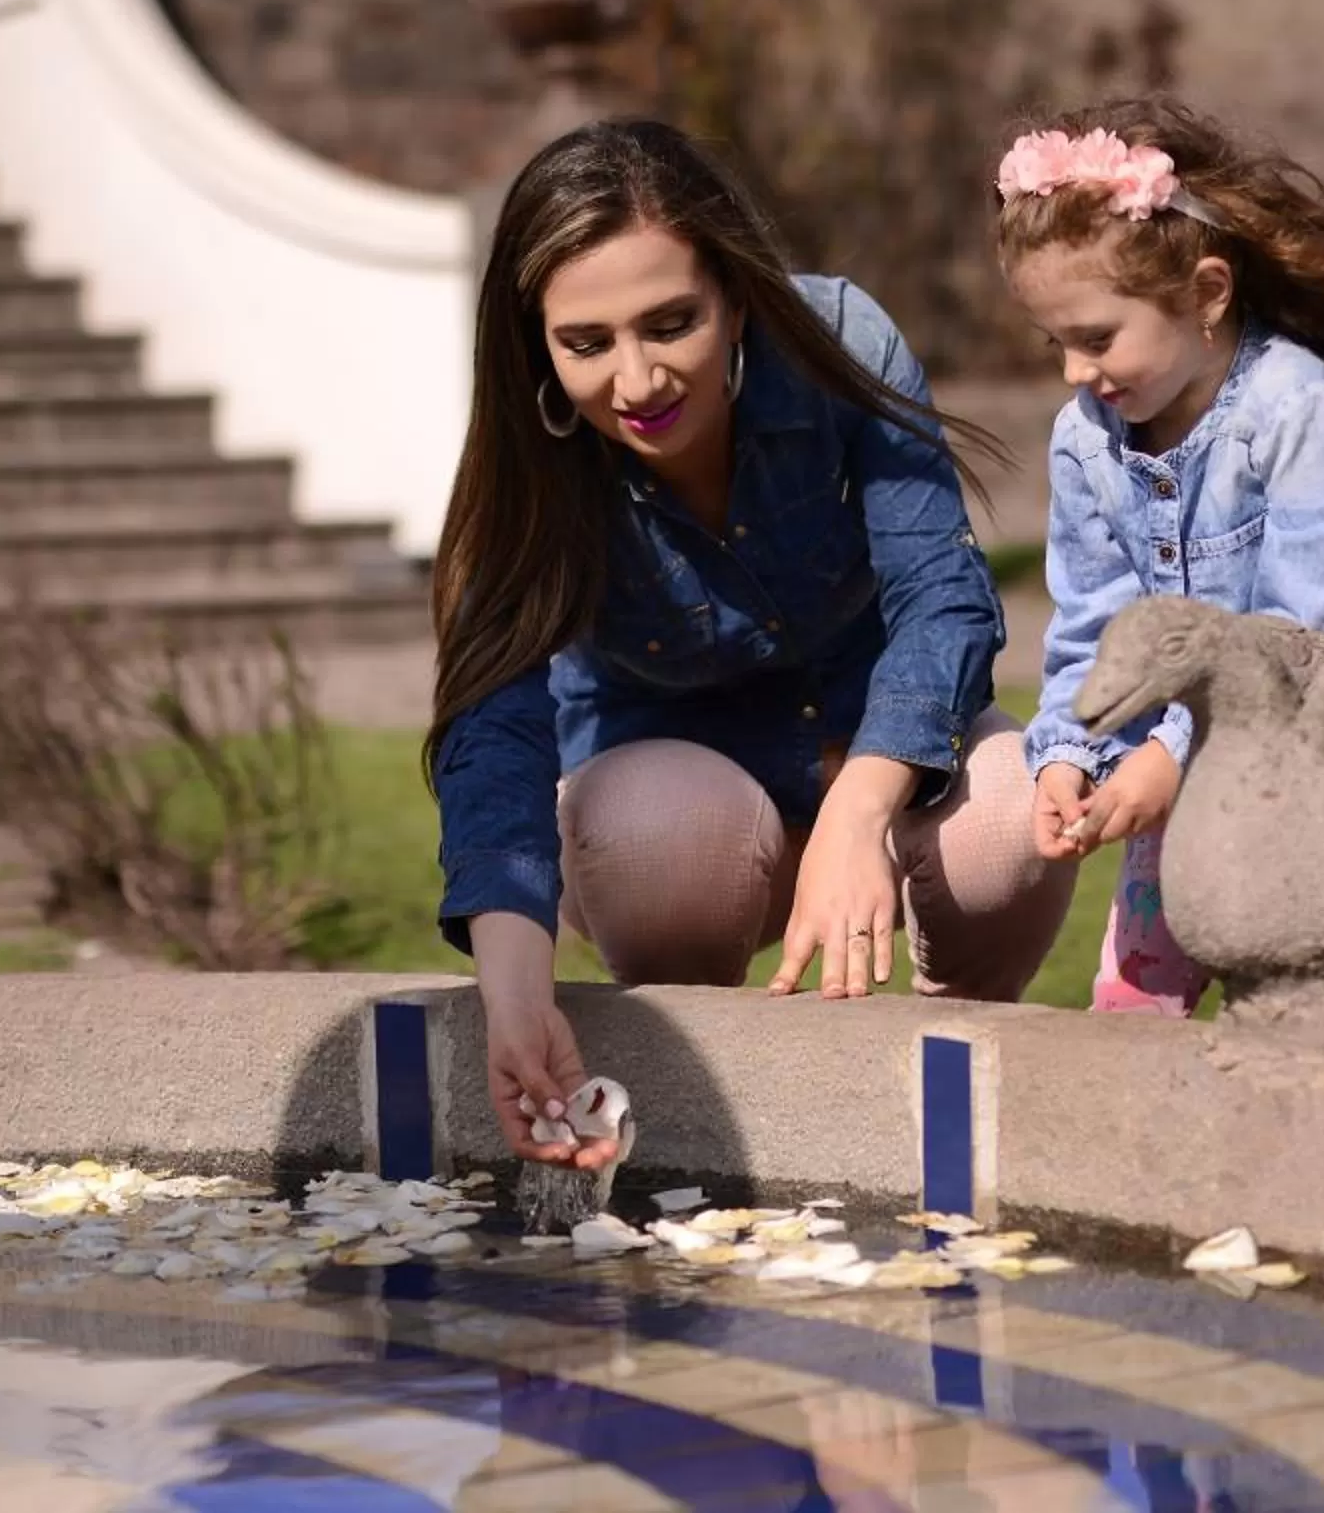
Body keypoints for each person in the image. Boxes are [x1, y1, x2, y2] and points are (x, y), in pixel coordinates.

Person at [427, 118, 1078, 1171]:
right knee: (661, 837)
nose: (638, 382)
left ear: (734, 295)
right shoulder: (532, 458)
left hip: (881, 760)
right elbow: (493, 728)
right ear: (538, 342)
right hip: (677, 820)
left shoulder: (839, 342)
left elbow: (943, 598)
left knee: (1008, 812)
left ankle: (958, 1106)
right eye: (587, 344)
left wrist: (862, 807)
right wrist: (513, 995)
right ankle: (696, 1122)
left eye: (670, 323)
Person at [995, 94, 1324, 1016]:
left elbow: (1302, 634)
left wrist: (1171, 757)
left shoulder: (1305, 418)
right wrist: (1069, 755)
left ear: (1207, 295)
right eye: (1057, 343)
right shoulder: (1086, 440)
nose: (1075, 372)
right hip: (1174, 769)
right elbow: (1093, 624)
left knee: (1311, 1007)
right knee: (1134, 1008)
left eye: (1097, 339)